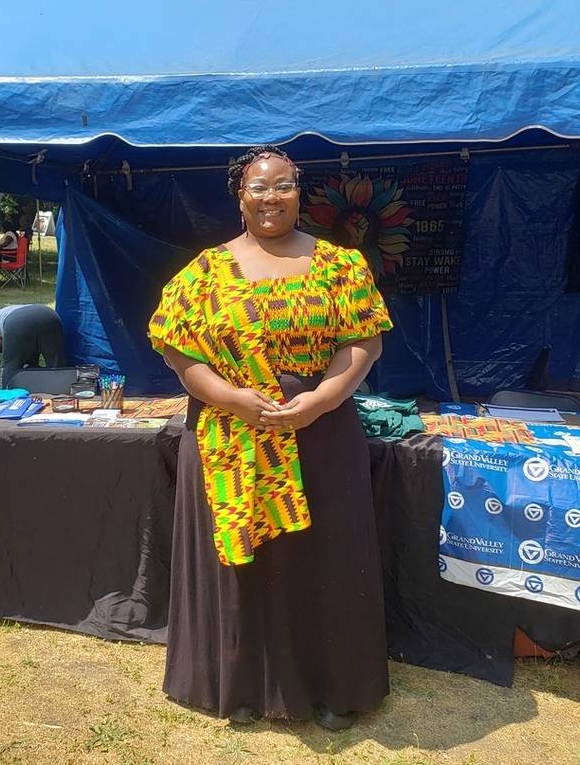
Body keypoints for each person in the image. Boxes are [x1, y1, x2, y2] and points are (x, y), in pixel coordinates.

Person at [147, 146, 394, 730]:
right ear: (240, 197)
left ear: (298, 194)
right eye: (258, 188)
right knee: (246, 563)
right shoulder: (206, 271)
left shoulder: (339, 266)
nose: (270, 198)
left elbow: (364, 343)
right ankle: (241, 687)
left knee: (322, 557)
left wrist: (323, 400)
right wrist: (230, 398)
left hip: (320, 434)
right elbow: (176, 348)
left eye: (282, 186)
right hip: (232, 435)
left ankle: (332, 688)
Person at [0, 304, 65, 388]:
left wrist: (12, 353)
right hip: (48, 313)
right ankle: (62, 391)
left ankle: (5, 395)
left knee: (10, 367)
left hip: (18, 321)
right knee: (56, 365)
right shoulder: (10, 309)